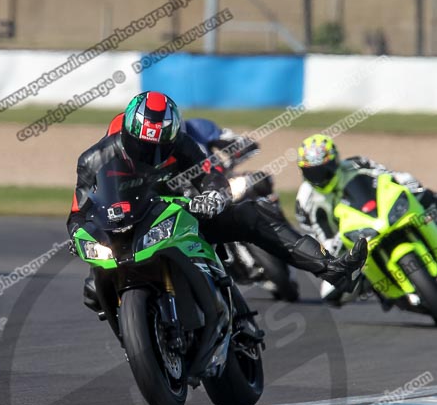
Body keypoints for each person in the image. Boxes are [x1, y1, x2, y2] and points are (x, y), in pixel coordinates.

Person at [67, 92, 367, 310]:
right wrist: (77, 234)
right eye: (145, 147)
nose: (154, 156)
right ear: (128, 136)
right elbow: (79, 212)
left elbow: (211, 177)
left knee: (253, 214)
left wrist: (214, 196)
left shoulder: (182, 144)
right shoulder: (95, 159)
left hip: (179, 215)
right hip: (127, 231)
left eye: (162, 146)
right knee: (94, 291)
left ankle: (332, 269)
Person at [295, 133, 437, 300]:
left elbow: (388, 175)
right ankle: (377, 287)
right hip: (345, 242)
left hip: (376, 218)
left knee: (422, 193)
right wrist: (331, 247)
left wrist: (407, 183)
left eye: (323, 170)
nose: (319, 178)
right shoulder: (304, 200)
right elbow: (315, 235)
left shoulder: (357, 164)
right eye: (312, 173)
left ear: (335, 161)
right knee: (330, 294)